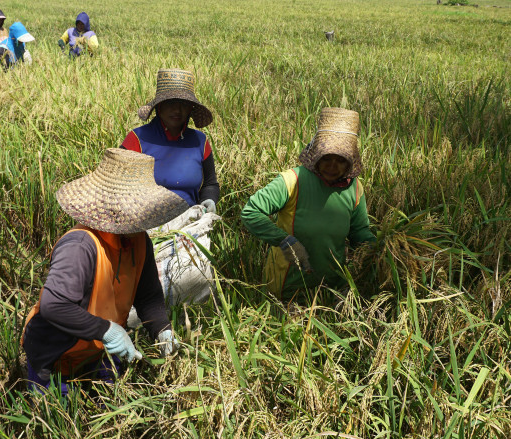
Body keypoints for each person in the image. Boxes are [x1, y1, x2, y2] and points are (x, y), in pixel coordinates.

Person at [22, 148, 186, 395]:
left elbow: (148, 296)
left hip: (97, 350)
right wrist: (108, 331)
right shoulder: (80, 245)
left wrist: (162, 330)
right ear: (116, 207)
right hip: (57, 353)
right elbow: (54, 305)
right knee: (58, 421)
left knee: (107, 408)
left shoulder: (139, 240)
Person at [241, 107, 376, 300]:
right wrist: (285, 240)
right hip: (287, 287)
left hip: (331, 290)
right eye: (327, 158)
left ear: (349, 162)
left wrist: (378, 249)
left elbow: (359, 232)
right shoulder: (293, 180)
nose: (332, 165)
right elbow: (251, 212)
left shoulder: (354, 188)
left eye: (340, 160)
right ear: (316, 156)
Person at [121, 69, 220, 213]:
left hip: (188, 222)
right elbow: (117, 186)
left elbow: (210, 184)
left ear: (191, 109)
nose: (177, 110)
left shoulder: (200, 141)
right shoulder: (137, 139)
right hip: (145, 223)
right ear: (159, 107)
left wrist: (208, 200)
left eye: (184, 104)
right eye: (171, 103)